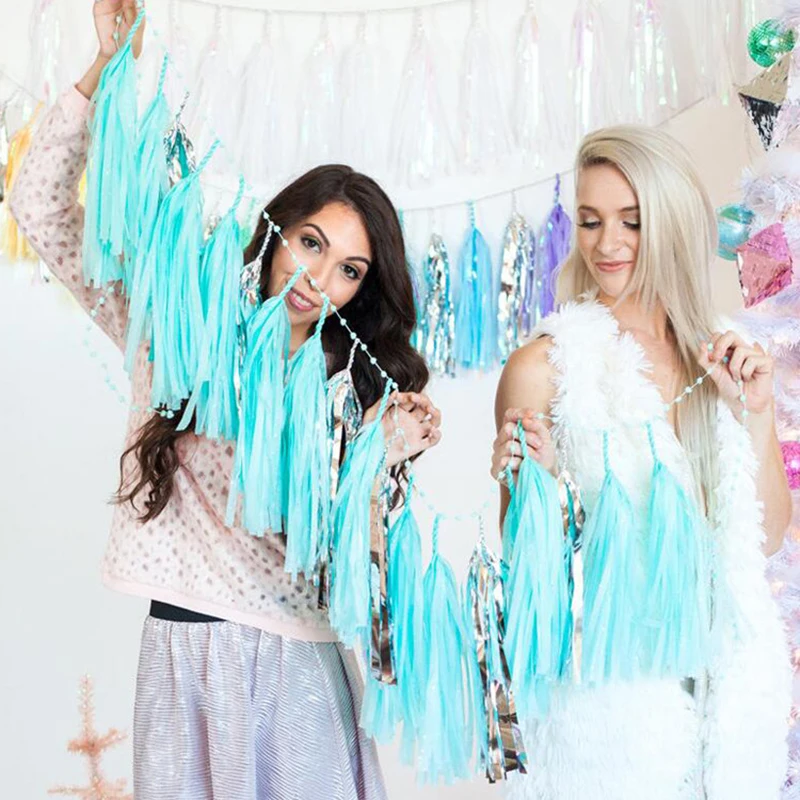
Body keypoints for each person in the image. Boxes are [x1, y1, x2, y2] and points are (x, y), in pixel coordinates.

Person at [10, 1, 442, 798]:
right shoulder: (179, 326)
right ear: (276, 232)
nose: (319, 278)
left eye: (349, 270)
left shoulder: (348, 385)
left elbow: (360, 568)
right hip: (183, 653)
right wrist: (105, 64)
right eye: (311, 243)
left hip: (297, 665)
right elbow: (38, 207)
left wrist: (383, 459)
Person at [491, 125, 792, 799]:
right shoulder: (546, 368)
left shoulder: (725, 351)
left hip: (730, 724)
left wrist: (757, 411)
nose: (607, 243)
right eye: (591, 221)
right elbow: (526, 585)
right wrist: (538, 486)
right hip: (607, 733)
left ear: (671, 220)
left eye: (631, 220)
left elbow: (766, 537)